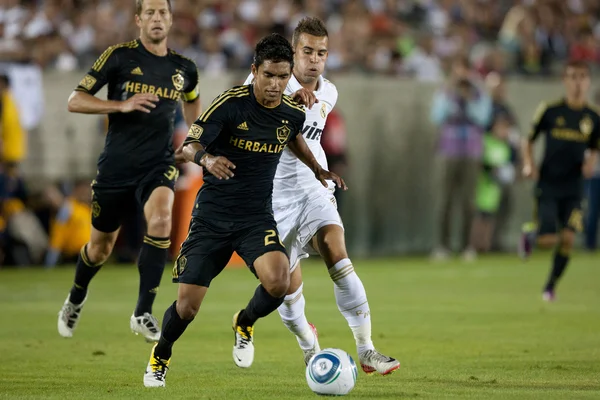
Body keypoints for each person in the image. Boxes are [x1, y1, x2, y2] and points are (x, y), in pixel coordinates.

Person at [142, 33, 345, 388]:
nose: (275, 84)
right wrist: (208, 158)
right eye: (269, 76)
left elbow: (293, 135)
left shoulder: (289, 110)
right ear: (255, 71)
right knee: (187, 308)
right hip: (212, 218)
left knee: (279, 280)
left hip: (255, 218)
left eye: (283, 77)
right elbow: (190, 144)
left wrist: (317, 169)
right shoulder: (230, 104)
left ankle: (245, 321)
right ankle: (161, 354)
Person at [243, 17, 399, 375]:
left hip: (313, 187)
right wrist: (286, 100)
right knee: (283, 286)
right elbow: (249, 119)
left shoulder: (329, 91)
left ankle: (367, 349)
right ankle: (308, 345)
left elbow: (307, 138)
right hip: (269, 197)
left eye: (322, 53)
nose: (314, 59)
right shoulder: (262, 81)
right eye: (308, 51)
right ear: (293, 52)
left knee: (336, 250)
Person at [57, 0, 202, 341]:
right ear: (138, 19)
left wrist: (193, 140)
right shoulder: (119, 57)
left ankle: (143, 312)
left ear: (170, 19)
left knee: (163, 219)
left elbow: (193, 99)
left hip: (159, 164)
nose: (156, 18)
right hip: (116, 168)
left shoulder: (184, 68)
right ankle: (76, 296)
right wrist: (120, 104)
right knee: (100, 248)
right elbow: (75, 99)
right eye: (149, 12)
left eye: (162, 12)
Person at [519, 60, 599, 302]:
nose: (578, 82)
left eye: (582, 77)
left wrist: (591, 162)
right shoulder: (550, 110)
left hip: (574, 186)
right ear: (565, 80)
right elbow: (528, 139)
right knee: (548, 239)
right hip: (549, 183)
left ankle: (550, 286)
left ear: (588, 81)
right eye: (573, 76)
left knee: (568, 239)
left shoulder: (593, 117)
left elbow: (595, 146)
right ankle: (530, 236)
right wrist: (528, 163)